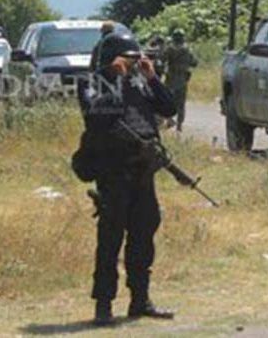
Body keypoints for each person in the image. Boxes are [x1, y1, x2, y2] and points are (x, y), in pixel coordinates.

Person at [76, 32, 177, 326]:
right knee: (110, 239)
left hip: (142, 171)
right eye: (128, 59)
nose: (134, 64)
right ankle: (104, 305)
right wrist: (117, 79)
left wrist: (153, 78)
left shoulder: (140, 83)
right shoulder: (91, 83)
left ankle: (140, 300)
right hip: (113, 172)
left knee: (143, 236)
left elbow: (168, 108)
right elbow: (97, 115)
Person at [161, 28, 198, 132]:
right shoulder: (188, 49)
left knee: (168, 100)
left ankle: (169, 119)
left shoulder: (169, 49)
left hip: (171, 79)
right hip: (182, 80)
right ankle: (179, 125)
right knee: (181, 103)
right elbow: (194, 63)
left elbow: (162, 60)